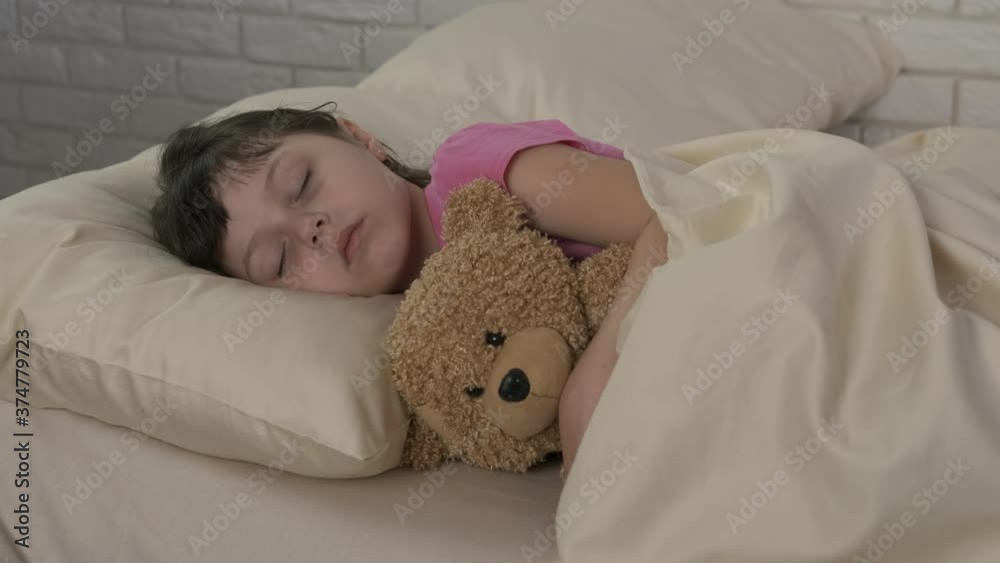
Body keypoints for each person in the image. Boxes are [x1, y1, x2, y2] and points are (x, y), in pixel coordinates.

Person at [151, 101, 669, 477]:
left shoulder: (471, 170)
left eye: (300, 184)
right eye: (280, 258)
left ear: (358, 137)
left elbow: (673, 212)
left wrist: (597, 376)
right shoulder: (417, 348)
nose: (312, 226)